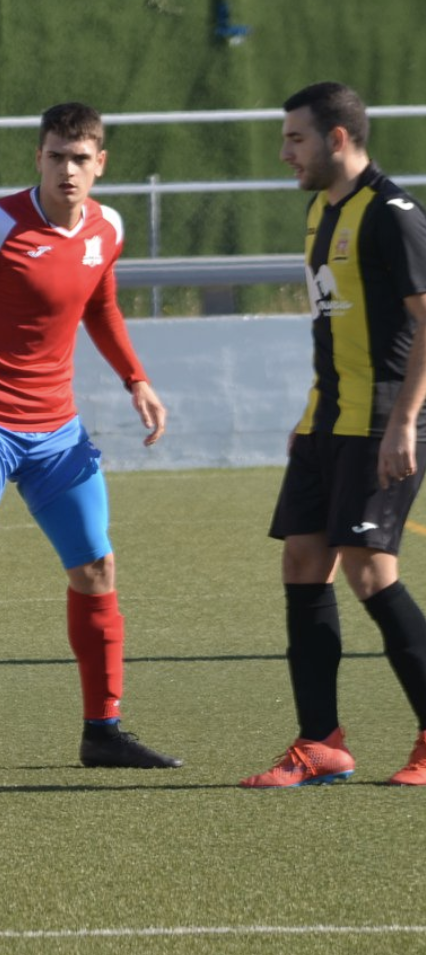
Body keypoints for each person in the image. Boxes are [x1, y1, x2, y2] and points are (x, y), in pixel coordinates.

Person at [0, 102, 179, 779]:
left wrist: (136, 378)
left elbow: (99, 303)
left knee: (97, 570)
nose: (67, 170)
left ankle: (102, 731)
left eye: (81, 158)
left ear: (100, 163)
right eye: (55, 156)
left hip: (57, 432)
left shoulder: (108, 228)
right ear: (37, 159)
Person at [241, 82, 426, 788]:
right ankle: (321, 743)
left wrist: (404, 422)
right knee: (301, 562)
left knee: (371, 572)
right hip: (326, 421)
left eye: (296, 139)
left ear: (338, 139)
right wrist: (307, 417)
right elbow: (336, 326)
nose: (285, 151)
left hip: (383, 420)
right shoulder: (321, 208)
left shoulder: (395, 216)